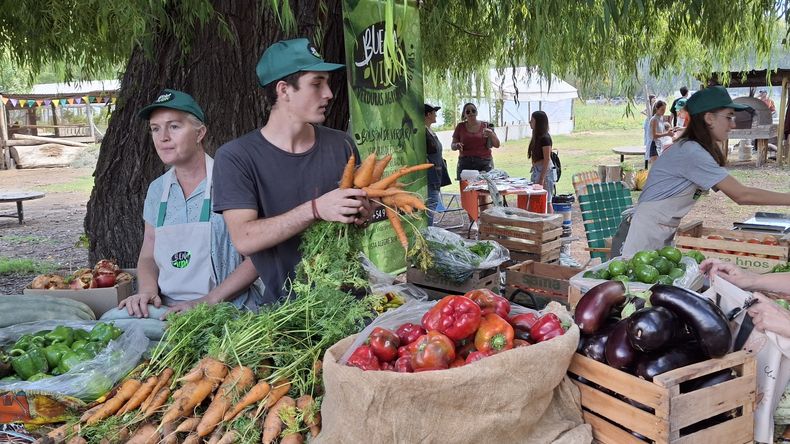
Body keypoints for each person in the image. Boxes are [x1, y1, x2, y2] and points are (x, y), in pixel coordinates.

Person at [212, 38, 367, 304]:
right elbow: (244, 239)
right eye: (317, 84)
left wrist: (364, 212)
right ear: (284, 90)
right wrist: (315, 209)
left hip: (355, 306)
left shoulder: (341, 143)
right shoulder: (236, 157)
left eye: (327, 83)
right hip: (288, 315)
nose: (329, 93)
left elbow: (361, 216)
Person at [117, 89, 264, 319]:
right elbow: (148, 253)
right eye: (155, 128)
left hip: (228, 311)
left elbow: (258, 258)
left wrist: (208, 301)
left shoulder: (232, 181)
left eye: (174, 126)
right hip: (169, 312)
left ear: (200, 133)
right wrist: (146, 291)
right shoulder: (158, 190)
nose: (163, 137)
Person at [618, 86, 790, 257]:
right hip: (648, 231)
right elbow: (742, 195)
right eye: (729, 116)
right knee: (639, 283)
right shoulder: (692, 152)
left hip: (661, 228)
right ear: (709, 118)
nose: (733, 124)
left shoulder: (697, 149)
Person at [451, 102, 500, 180]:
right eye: (468, 111)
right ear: (464, 115)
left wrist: (491, 134)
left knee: (485, 189)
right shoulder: (460, 127)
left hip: (484, 163)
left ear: (477, 112)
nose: (471, 113)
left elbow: (497, 145)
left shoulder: (486, 125)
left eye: (473, 111)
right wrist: (457, 145)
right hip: (465, 163)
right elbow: (452, 146)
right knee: (466, 190)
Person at [424, 103, 449, 225]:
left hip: (437, 172)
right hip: (431, 174)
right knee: (431, 204)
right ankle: (428, 232)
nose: (436, 115)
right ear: (428, 114)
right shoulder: (422, 132)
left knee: (432, 204)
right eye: (434, 112)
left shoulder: (429, 131)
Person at [527, 111, 555, 212]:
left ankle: (551, 225)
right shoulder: (536, 136)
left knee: (547, 200)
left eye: (532, 120)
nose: (530, 122)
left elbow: (547, 159)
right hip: (537, 170)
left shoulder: (545, 138)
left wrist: (542, 178)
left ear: (538, 122)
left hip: (545, 172)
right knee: (535, 198)